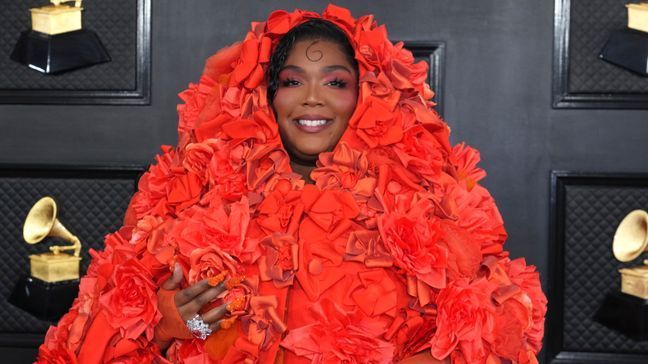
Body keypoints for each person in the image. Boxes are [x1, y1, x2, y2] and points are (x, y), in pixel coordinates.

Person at [36, 5, 547, 363]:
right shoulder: (194, 193)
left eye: (335, 82)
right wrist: (173, 323)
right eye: (292, 80)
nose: (312, 99)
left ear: (366, 96)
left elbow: (504, 319)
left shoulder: (432, 197)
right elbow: (91, 339)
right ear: (265, 96)